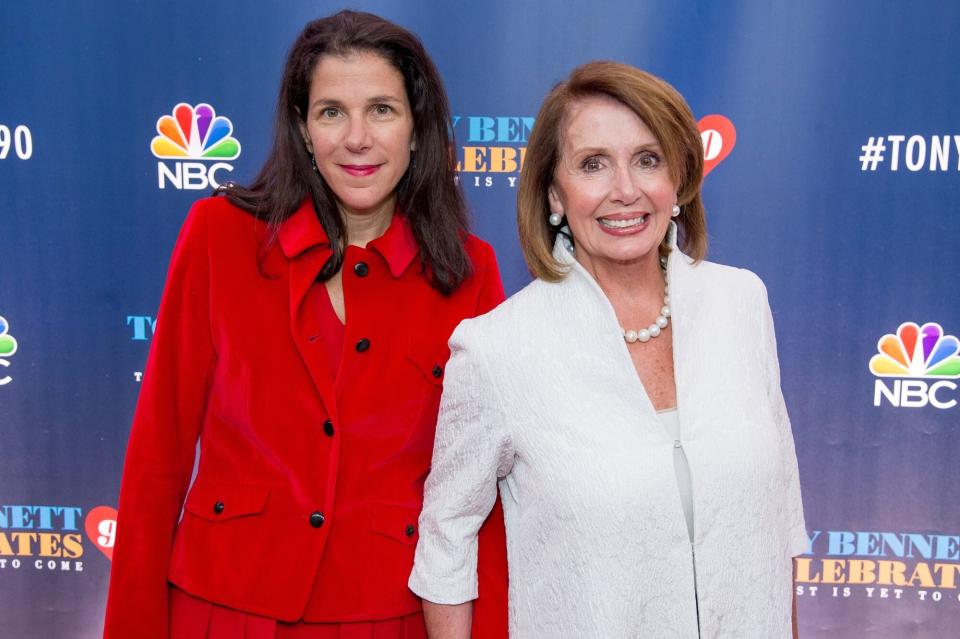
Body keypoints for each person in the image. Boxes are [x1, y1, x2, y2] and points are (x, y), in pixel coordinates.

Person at [103, 11, 508, 639]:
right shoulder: (218, 236)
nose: (357, 138)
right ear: (302, 128)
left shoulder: (468, 271)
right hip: (221, 607)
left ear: (418, 129)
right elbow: (158, 454)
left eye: (381, 110)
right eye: (330, 112)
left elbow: (480, 494)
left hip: (388, 614)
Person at [409, 61, 807, 638]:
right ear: (553, 192)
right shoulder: (499, 349)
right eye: (593, 164)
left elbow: (780, 517)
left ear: (679, 181)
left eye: (648, 159)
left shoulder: (741, 303)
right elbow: (446, 543)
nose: (625, 190)